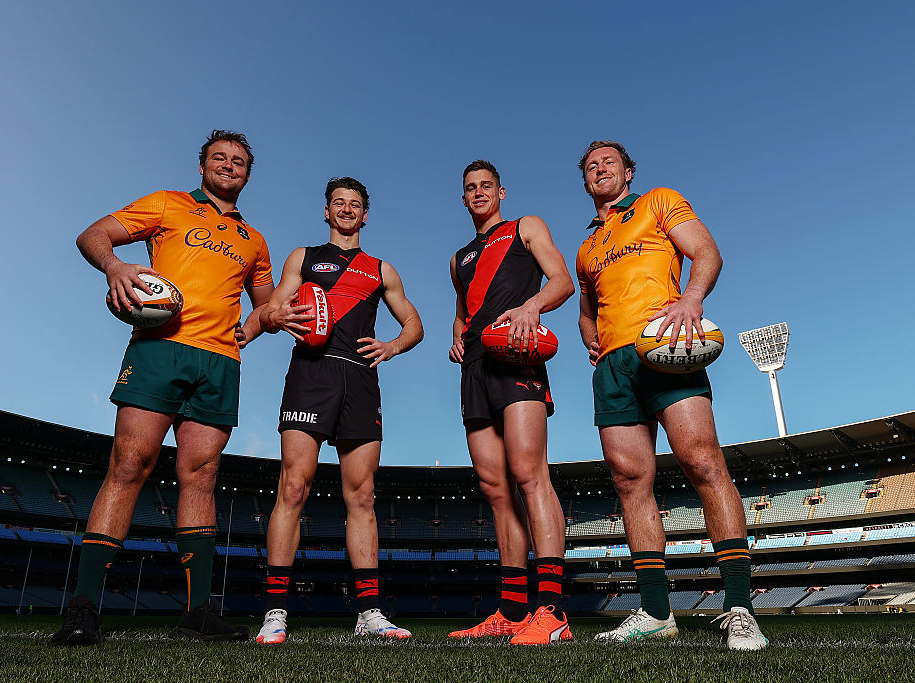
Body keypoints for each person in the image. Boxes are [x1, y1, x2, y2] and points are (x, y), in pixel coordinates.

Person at [51, 130, 274, 646]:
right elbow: (92, 235)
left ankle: (198, 614)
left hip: (220, 361)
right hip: (158, 349)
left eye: (239, 162)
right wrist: (116, 266)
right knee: (129, 465)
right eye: (219, 158)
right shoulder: (167, 204)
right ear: (202, 166)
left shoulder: (254, 240)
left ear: (247, 174)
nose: (229, 166)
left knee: (202, 475)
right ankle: (83, 607)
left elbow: (264, 305)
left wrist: (259, 324)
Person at [575, 140, 767, 651]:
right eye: (591, 166)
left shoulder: (658, 200)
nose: (600, 169)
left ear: (628, 172)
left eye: (609, 162)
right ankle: (657, 613)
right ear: (585, 181)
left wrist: (692, 298)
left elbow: (707, 252)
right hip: (613, 366)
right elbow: (586, 309)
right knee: (629, 480)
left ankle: (740, 608)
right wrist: (591, 337)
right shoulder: (586, 248)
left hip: (666, 344)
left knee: (703, 462)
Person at [253, 177, 423, 644]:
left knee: (362, 495)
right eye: (339, 203)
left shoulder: (381, 269)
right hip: (311, 374)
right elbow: (271, 309)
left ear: (365, 215)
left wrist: (392, 346)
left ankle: (369, 612)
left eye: (355, 204)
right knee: (293, 487)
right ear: (327, 212)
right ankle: (275, 612)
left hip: (360, 379)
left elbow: (414, 323)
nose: (347, 210)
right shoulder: (303, 257)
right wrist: (275, 316)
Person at [446, 161, 575, 645]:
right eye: (470, 188)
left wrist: (530, 307)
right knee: (495, 488)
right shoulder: (458, 258)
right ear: (464, 199)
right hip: (475, 368)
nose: (479, 193)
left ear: (501, 192)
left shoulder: (526, 227)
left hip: (517, 354)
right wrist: (457, 338)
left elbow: (562, 281)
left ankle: (553, 611)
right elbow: (462, 312)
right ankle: (512, 611)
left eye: (486, 186)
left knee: (529, 474)